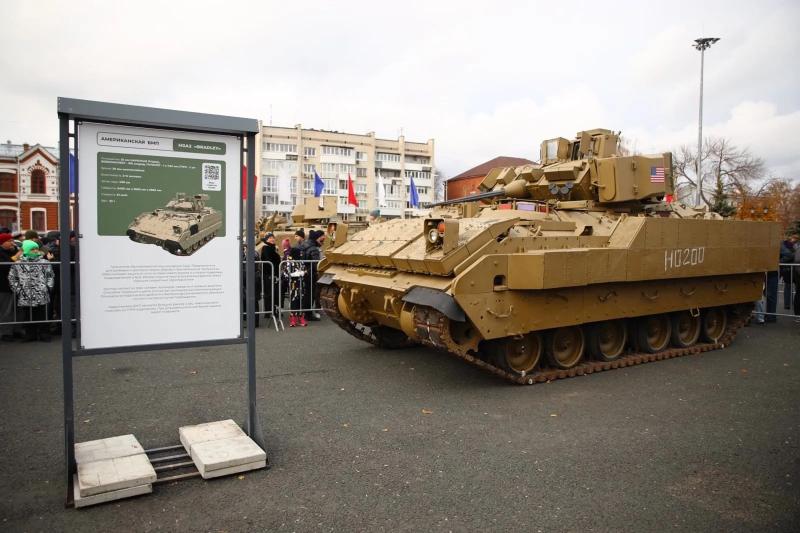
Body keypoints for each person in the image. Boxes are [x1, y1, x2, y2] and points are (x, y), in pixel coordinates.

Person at [8, 240, 54, 342]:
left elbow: (50, 276)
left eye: (36, 248)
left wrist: (48, 287)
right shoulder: (18, 264)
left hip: (41, 292)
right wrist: (18, 289)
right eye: (32, 249)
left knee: (43, 314)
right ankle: (30, 334)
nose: (35, 251)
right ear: (26, 250)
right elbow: (12, 277)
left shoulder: (44, 262)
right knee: (28, 315)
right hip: (25, 293)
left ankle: (44, 334)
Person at [0, 233, 22, 341]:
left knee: (17, 309)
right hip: (4, 286)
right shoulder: (1, 253)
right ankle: (6, 333)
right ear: (2, 243)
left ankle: (17, 330)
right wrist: (16, 256)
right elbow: (5, 266)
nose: (12, 243)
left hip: (15, 285)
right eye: (9, 241)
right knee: (6, 310)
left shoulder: (12, 250)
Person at [301, 230, 325, 320]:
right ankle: (308, 314)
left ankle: (305, 312)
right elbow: (316, 264)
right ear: (316, 238)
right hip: (311, 274)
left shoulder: (305, 244)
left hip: (304, 272)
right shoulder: (313, 248)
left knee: (306, 294)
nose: (323, 238)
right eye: (322, 236)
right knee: (310, 294)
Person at [259, 232, 282, 316]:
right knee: (269, 293)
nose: (272, 239)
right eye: (270, 238)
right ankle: (269, 311)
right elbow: (270, 260)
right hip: (269, 274)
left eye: (273, 238)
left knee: (275, 293)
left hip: (274, 274)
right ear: (266, 240)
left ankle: (274, 310)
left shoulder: (272, 248)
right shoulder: (266, 248)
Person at [285, 243, 307, 327]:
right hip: (293, 284)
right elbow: (286, 273)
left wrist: (303, 272)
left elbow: (305, 270)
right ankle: (293, 317)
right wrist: (295, 274)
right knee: (294, 300)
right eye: (299, 253)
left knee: (301, 300)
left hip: (301, 283)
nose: (300, 254)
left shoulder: (301, 261)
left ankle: (301, 316)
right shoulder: (289, 261)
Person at [780, 235, 797, 310]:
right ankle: (787, 304)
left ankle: (794, 302)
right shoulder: (784, 245)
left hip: (794, 269)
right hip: (787, 269)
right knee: (788, 286)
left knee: (795, 288)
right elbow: (789, 255)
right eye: (793, 239)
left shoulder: (793, 245)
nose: (794, 241)